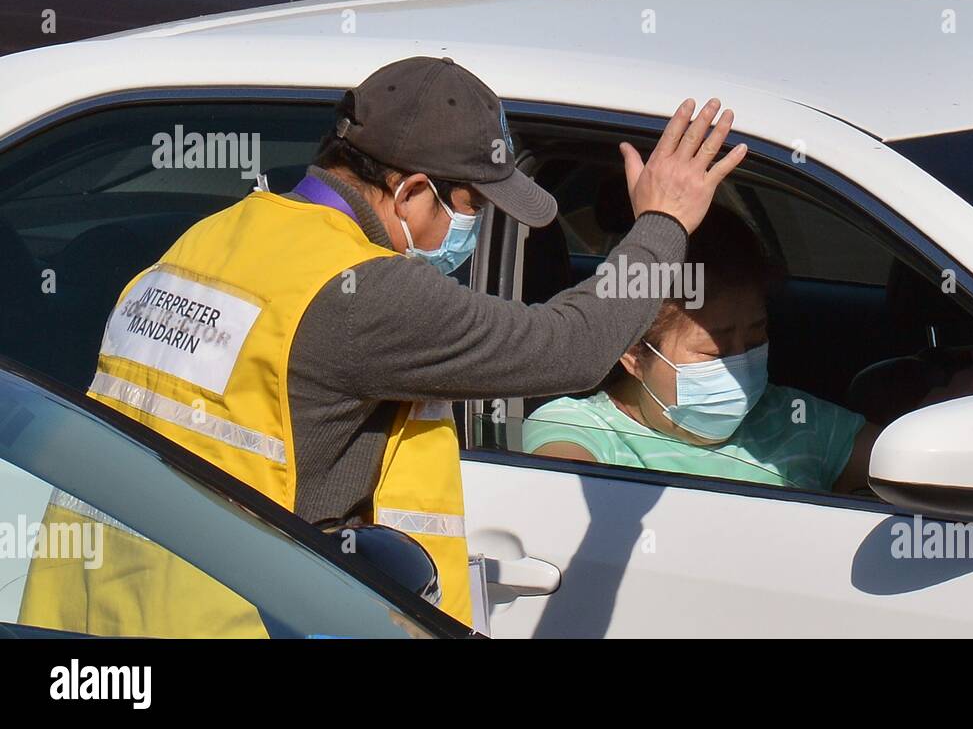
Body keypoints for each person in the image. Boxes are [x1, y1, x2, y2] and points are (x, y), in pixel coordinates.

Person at [18, 56, 747, 636]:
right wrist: (662, 224)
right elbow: (572, 348)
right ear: (410, 195)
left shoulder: (215, 238)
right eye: (471, 210)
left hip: (107, 612)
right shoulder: (362, 296)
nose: (473, 234)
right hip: (233, 620)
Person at [524, 207, 877, 493]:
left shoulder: (795, 418)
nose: (742, 365)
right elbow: (563, 505)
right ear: (631, 351)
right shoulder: (580, 430)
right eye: (715, 352)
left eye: (755, 339)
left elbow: (909, 461)